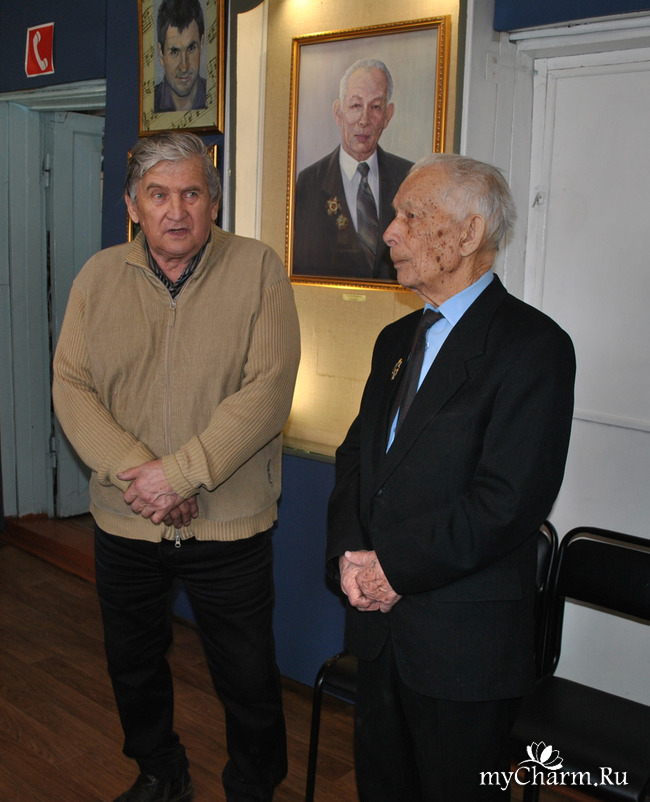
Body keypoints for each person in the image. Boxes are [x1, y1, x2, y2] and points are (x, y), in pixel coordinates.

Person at [53, 132, 300, 802]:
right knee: (132, 667)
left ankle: (253, 788)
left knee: (248, 677)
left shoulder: (258, 269)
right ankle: (161, 773)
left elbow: (269, 389)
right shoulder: (98, 277)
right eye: (158, 195)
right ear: (132, 205)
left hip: (229, 525)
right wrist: (144, 473)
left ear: (213, 202)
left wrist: (183, 473)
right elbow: (71, 386)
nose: (176, 210)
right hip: (127, 519)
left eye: (192, 193)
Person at [326, 153, 576, 801]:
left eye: (412, 216)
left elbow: (508, 502)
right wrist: (349, 556)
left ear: (469, 234)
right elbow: (357, 460)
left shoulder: (534, 347)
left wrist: (394, 569)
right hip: (380, 634)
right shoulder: (394, 340)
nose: (390, 232)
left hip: (462, 647)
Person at [293, 59, 412, 281]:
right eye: (356, 106)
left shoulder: (408, 178)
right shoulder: (308, 183)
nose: (364, 120)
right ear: (338, 112)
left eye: (375, 107)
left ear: (388, 115)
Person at [154, 0, 207, 113]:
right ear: (161, 53)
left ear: (201, 44)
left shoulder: (215, 95)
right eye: (174, 52)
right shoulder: (151, 102)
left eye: (191, 48)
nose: (184, 66)